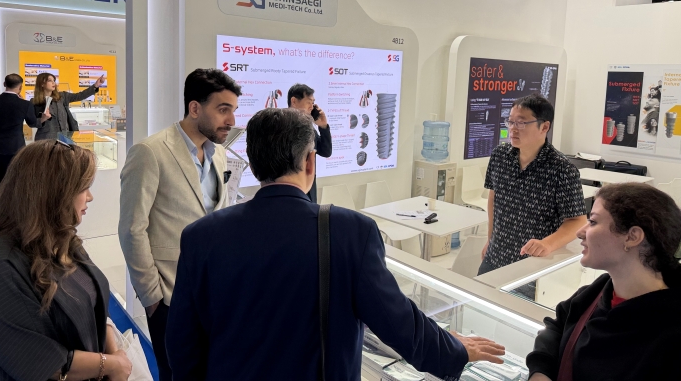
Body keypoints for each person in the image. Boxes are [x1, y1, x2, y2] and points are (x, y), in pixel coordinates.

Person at [166, 108, 505, 380]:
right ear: (310, 162)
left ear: (253, 166)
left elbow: (181, 342)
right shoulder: (350, 231)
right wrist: (454, 350)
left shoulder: (201, 236)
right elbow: (397, 321)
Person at [119, 68, 240, 381]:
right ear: (195, 108)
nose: (231, 120)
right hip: (169, 295)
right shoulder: (150, 152)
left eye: (233, 110)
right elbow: (132, 229)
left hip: (213, 292)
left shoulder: (219, 154)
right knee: (175, 373)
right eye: (223, 109)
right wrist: (152, 299)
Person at [0, 140, 132, 381]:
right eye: (83, 188)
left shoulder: (63, 239)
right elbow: (34, 359)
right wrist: (110, 365)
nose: (90, 197)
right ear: (55, 193)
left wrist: (113, 354)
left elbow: (94, 302)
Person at [527, 183, 681, 381]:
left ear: (632, 237)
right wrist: (541, 372)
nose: (580, 232)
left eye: (592, 222)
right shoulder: (600, 290)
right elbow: (557, 327)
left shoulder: (670, 337)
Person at [479, 94, 587, 276]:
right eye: (510, 122)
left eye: (521, 123)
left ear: (544, 127)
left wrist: (547, 244)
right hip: (496, 255)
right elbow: (494, 198)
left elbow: (578, 221)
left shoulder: (562, 169)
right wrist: (490, 239)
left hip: (532, 264)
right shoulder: (499, 156)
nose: (513, 129)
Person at [0, 73, 37, 196]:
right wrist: (43, 118)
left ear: (4, 84)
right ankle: (11, 204)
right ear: (20, 87)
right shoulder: (25, 104)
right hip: (15, 147)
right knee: (14, 178)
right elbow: (33, 123)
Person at [287, 83, 332, 202]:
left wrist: (323, 127)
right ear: (294, 101)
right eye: (308, 102)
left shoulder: (308, 127)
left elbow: (326, 151)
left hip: (309, 189)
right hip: (290, 189)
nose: (312, 107)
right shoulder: (281, 125)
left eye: (313, 102)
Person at [32, 72, 106, 140]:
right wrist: (43, 119)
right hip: (45, 141)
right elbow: (32, 123)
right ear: (42, 84)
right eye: (49, 80)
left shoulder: (62, 96)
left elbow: (80, 96)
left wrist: (96, 85)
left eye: (54, 80)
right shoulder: (34, 102)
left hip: (64, 138)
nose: (53, 82)